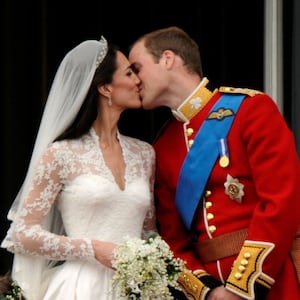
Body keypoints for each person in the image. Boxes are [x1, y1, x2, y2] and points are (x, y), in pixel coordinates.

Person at [128, 26, 300, 300]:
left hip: (272, 282)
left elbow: (282, 203)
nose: (134, 80)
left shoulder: (250, 109)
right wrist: (207, 292)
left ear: (168, 59)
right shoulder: (162, 146)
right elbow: (172, 240)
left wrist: (241, 287)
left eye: (137, 68)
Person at [1, 36, 156, 300]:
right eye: (129, 73)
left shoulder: (144, 153)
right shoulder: (61, 154)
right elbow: (22, 234)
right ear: (106, 88)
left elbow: (148, 230)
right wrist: (92, 248)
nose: (138, 80)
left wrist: (154, 262)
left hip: (137, 289)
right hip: (81, 288)